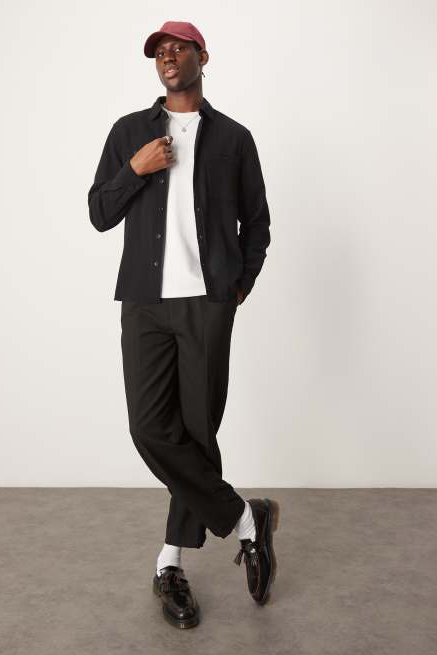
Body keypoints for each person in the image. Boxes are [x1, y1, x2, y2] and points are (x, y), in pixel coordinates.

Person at [87, 20, 279, 629]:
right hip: (145, 303)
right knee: (150, 428)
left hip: (207, 304)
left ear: (203, 57)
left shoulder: (234, 139)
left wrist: (237, 287)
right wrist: (136, 168)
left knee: (196, 434)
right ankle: (246, 520)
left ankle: (169, 566)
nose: (168, 58)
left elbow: (258, 222)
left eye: (179, 49)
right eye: (160, 53)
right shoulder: (129, 132)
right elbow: (98, 212)